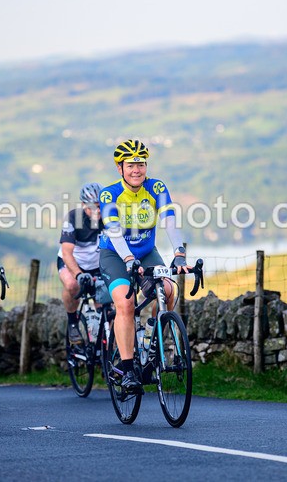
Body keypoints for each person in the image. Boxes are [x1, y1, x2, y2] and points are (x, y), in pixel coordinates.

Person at [98, 139, 191, 393]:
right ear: (120, 168)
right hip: (115, 255)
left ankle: (151, 345)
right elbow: (114, 231)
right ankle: (128, 370)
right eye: (131, 165)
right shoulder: (109, 194)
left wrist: (179, 252)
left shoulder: (156, 187)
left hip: (147, 252)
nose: (136, 170)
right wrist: (129, 260)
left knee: (168, 290)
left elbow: (169, 220)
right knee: (126, 303)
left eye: (141, 164)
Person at [58, 182, 105, 344]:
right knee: (72, 285)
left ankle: (104, 346)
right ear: (84, 204)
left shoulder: (109, 217)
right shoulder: (74, 217)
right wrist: (78, 274)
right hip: (73, 263)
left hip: (97, 265)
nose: (97, 211)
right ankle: (72, 323)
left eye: (100, 206)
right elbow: (66, 253)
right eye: (92, 207)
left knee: (105, 302)